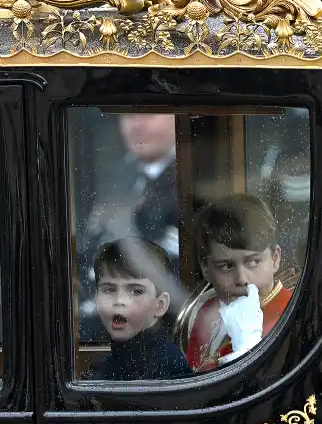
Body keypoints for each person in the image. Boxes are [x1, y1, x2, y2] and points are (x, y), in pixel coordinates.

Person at [77, 113, 180, 340]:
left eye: (147, 114)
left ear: (178, 116)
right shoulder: (119, 177)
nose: (136, 124)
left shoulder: (190, 178)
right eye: (128, 115)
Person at [185, 194, 293, 373]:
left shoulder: (294, 318)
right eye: (226, 266)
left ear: (275, 260)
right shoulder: (207, 311)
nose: (242, 279)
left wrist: (246, 347)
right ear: (205, 269)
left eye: (253, 262)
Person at [85, 237, 191, 381]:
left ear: (160, 305)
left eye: (136, 291)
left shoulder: (173, 369)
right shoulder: (97, 373)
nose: (119, 301)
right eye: (109, 290)